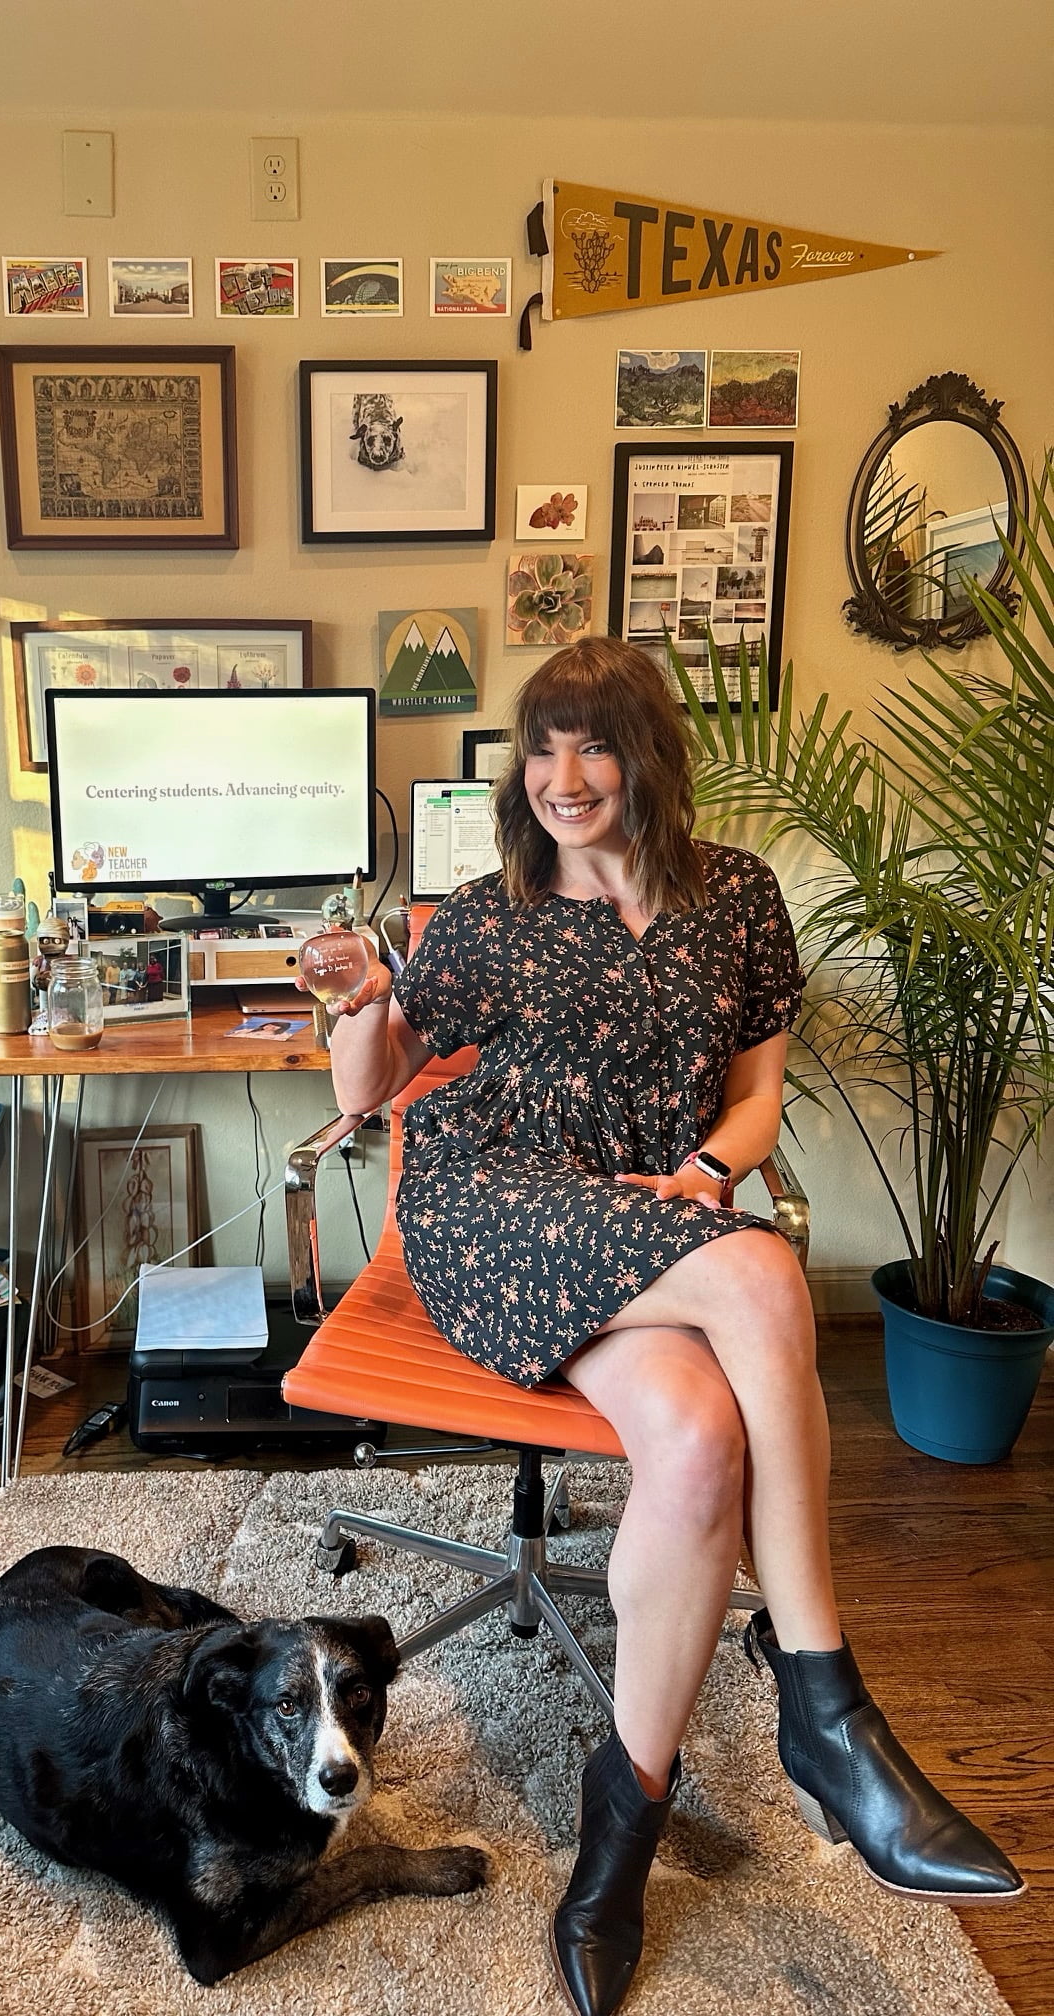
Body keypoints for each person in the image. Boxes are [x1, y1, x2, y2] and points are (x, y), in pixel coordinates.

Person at [323, 639, 1021, 2016]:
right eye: (543, 749)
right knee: (765, 1277)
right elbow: (373, 1084)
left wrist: (707, 1175)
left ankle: (621, 1827)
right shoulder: (490, 911)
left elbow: (753, 1103)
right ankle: (827, 1707)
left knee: (700, 1444)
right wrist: (354, 992)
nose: (565, 779)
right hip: (498, 1211)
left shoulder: (740, 900)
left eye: (595, 747)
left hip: (652, 1224)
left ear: (650, 758)